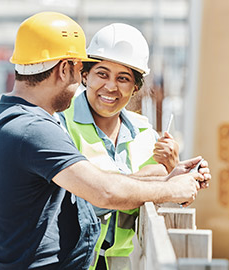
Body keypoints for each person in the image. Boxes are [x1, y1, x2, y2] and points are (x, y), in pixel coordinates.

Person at [0, 12, 210, 270]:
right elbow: (103, 191)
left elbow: (93, 186)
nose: (79, 81)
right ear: (64, 69)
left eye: (123, 78)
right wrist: (171, 190)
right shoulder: (34, 129)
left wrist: (166, 177)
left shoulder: (16, 117)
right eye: (79, 70)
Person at [58, 23, 204, 270]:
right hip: (69, 260)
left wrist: (175, 168)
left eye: (123, 78)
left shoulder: (143, 131)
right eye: (102, 74)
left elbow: (156, 188)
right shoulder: (61, 123)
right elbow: (89, 194)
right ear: (85, 75)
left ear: (135, 87)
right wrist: (150, 181)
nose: (111, 86)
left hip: (118, 262)